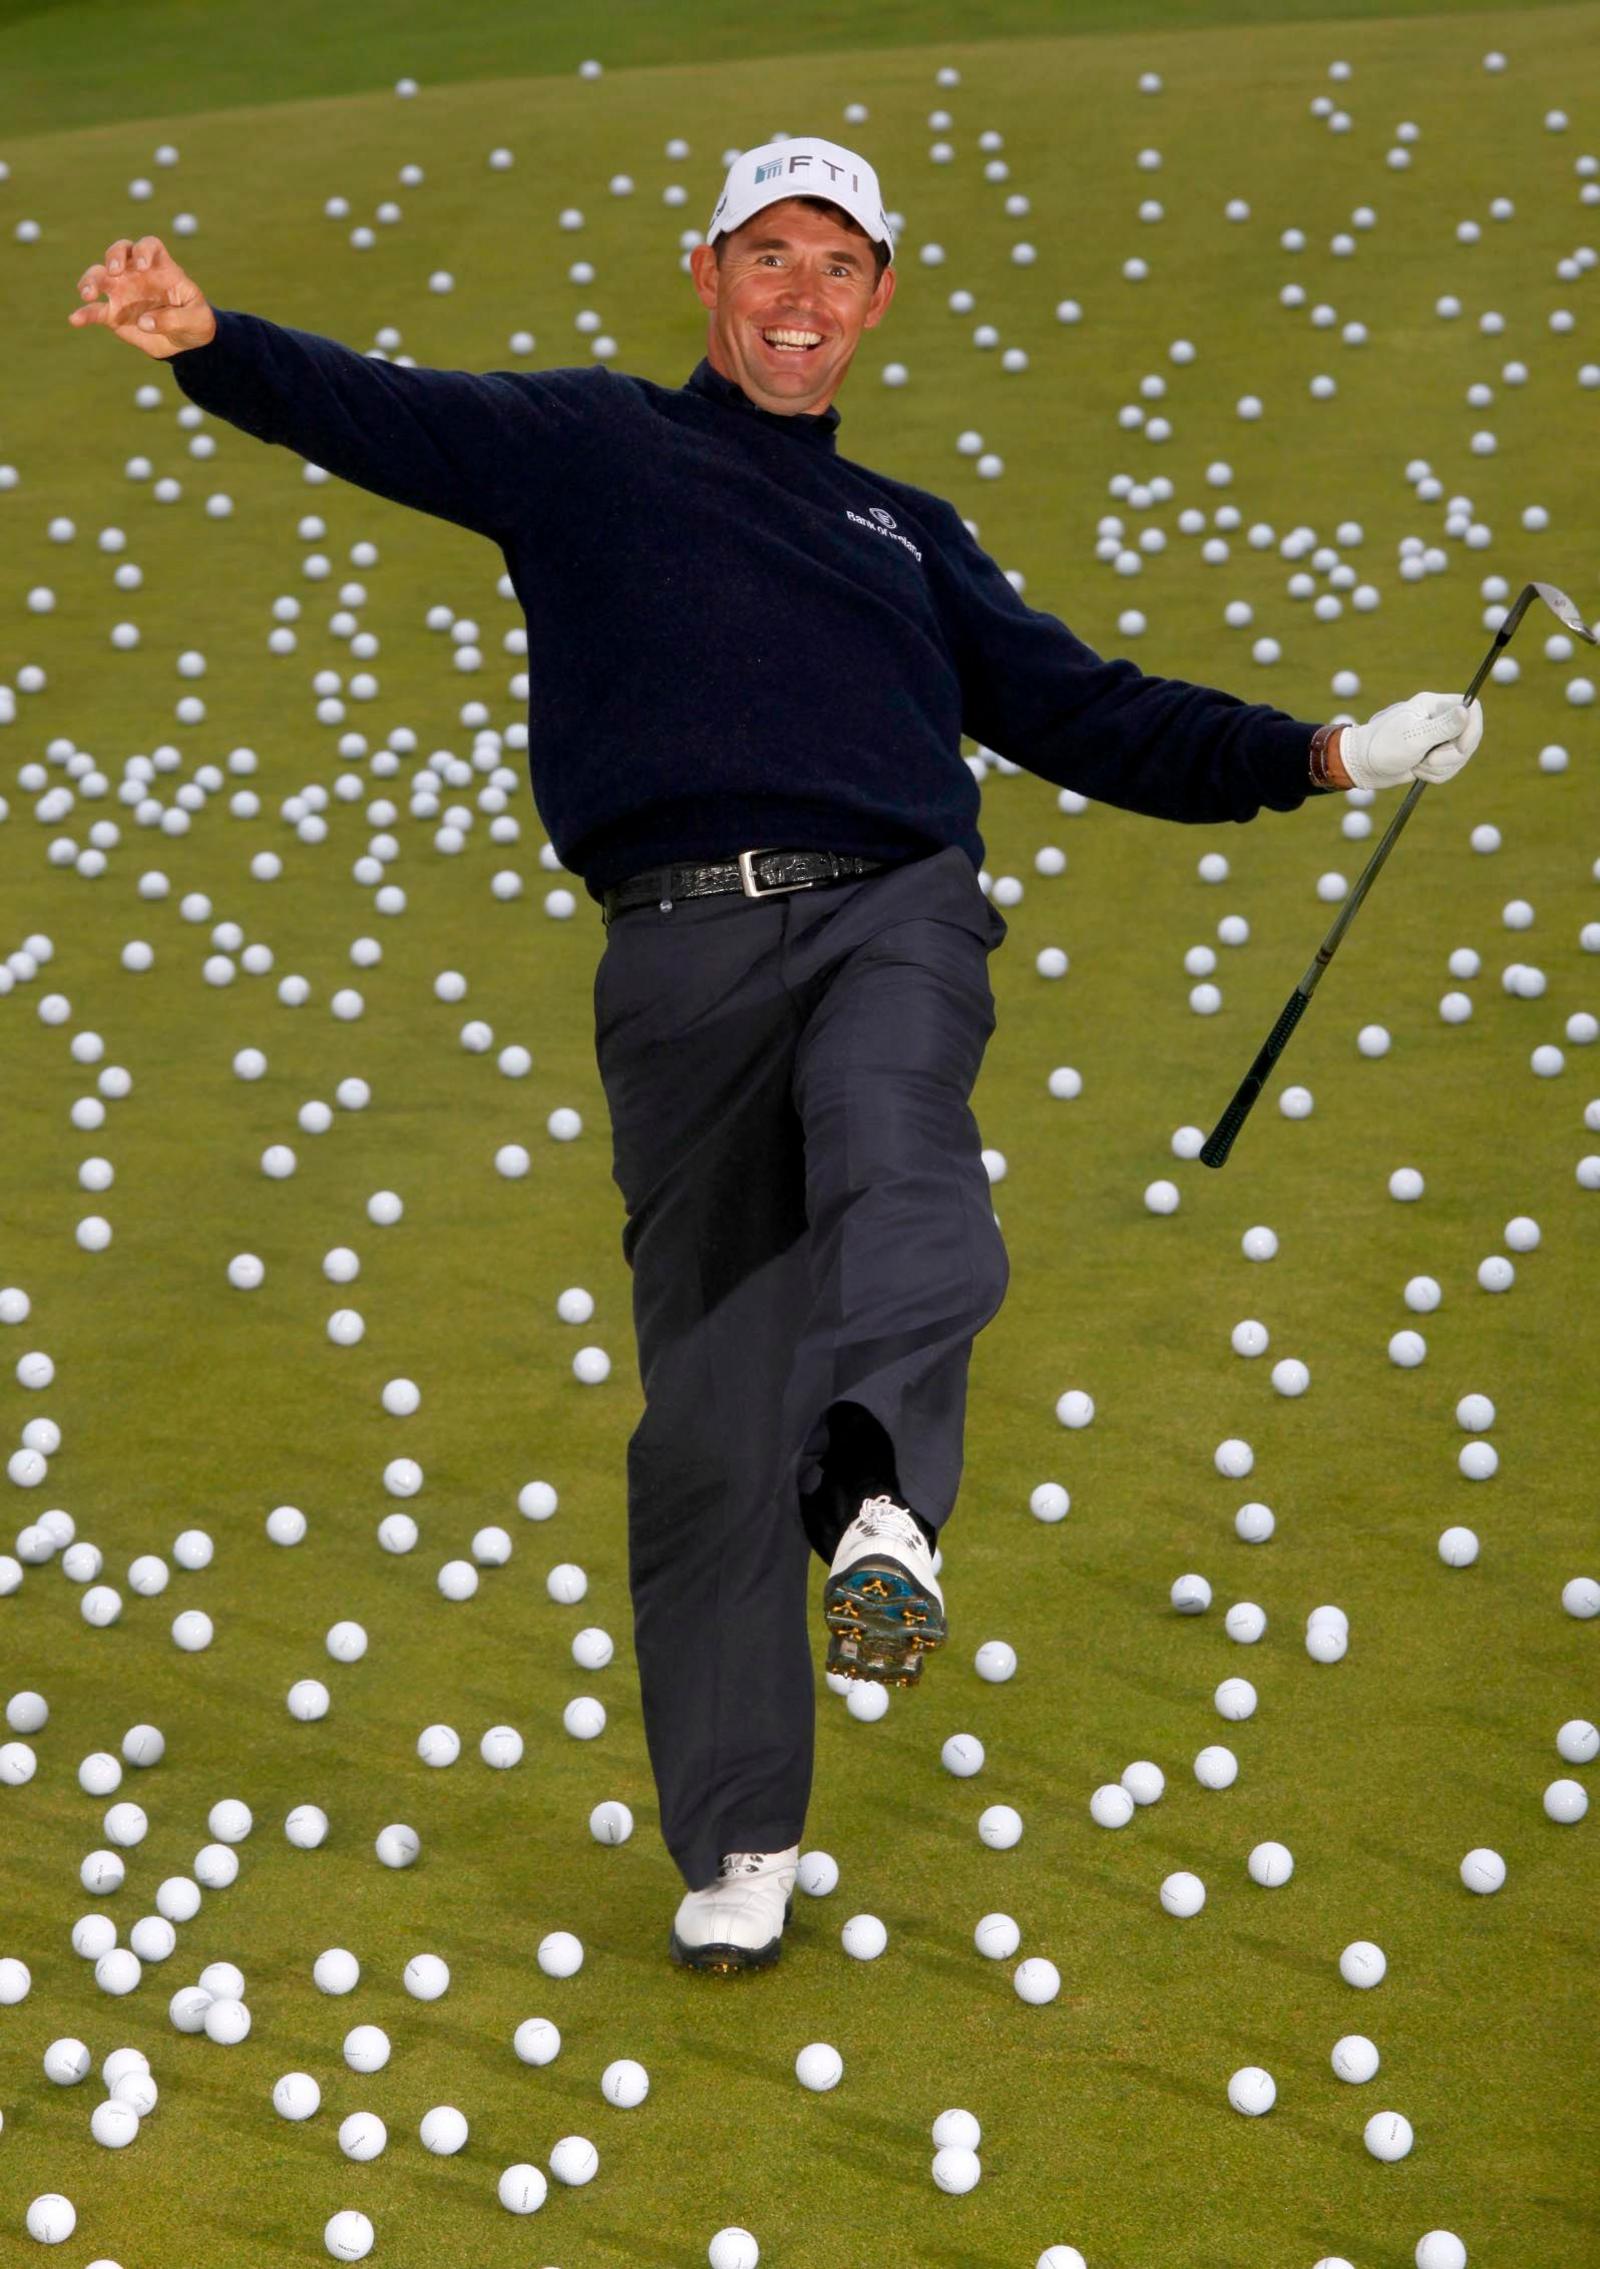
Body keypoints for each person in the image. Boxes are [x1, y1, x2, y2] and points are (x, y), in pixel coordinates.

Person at [69, 133, 1484, 1976]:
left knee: (898, 1142)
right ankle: (745, 1835)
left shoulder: (910, 534)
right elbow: (384, 414)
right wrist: (208, 343)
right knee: (706, 1425)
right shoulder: (591, 446)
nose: (801, 295)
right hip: (674, 963)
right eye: (770, 256)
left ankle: (879, 1493)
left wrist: (1328, 755)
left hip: (892, 909)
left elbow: (1089, 714)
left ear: (878, 298)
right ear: (709, 272)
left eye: (838, 264)